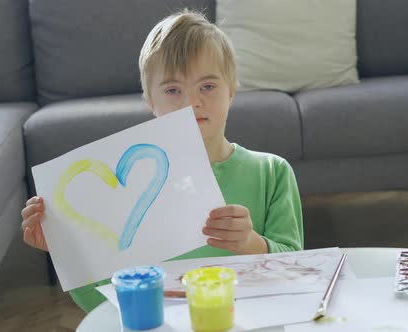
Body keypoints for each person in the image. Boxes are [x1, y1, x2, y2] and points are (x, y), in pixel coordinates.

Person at [20, 10, 303, 313]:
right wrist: (67, 251)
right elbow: (100, 303)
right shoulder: (131, 196)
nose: (192, 102)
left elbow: (295, 273)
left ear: (231, 90)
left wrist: (250, 243)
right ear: (150, 103)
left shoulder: (272, 173)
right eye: (172, 90)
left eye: (207, 86)